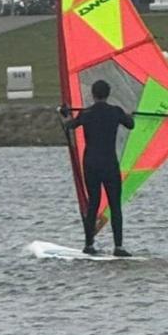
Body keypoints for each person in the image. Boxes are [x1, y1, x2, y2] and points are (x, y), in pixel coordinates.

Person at [59, 79, 135, 257]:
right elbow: (131, 125)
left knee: (93, 203)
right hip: (109, 164)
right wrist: (128, 115)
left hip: (91, 164)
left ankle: (88, 245)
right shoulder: (115, 112)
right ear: (108, 94)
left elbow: (69, 126)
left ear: (93, 95)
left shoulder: (86, 113)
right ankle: (119, 247)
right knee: (115, 205)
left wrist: (65, 114)